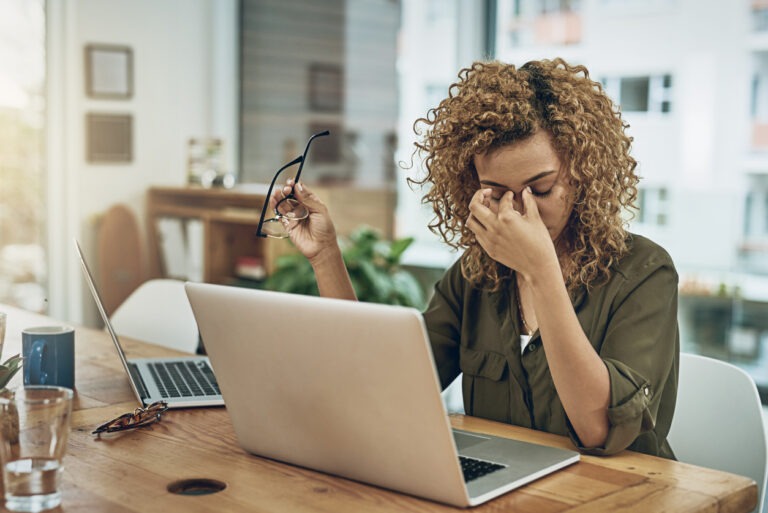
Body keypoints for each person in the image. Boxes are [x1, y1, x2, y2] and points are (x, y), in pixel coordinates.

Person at [273, 58, 679, 458]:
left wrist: (540, 271)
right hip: (505, 494)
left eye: (540, 190)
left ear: (581, 172)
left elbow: (598, 431)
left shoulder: (644, 272)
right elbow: (376, 388)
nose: (519, 212)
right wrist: (326, 255)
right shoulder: (476, 275)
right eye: (497, 193)